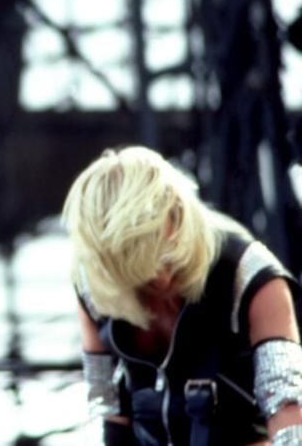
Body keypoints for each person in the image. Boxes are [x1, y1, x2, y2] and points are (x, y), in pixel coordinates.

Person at [62, 146, 302, 445]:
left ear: (177, 214)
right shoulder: (93, 284)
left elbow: (289, 411)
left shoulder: (250, 275)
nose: (162, 278)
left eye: (166, 256)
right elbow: (109, 409)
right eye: (144, 271)